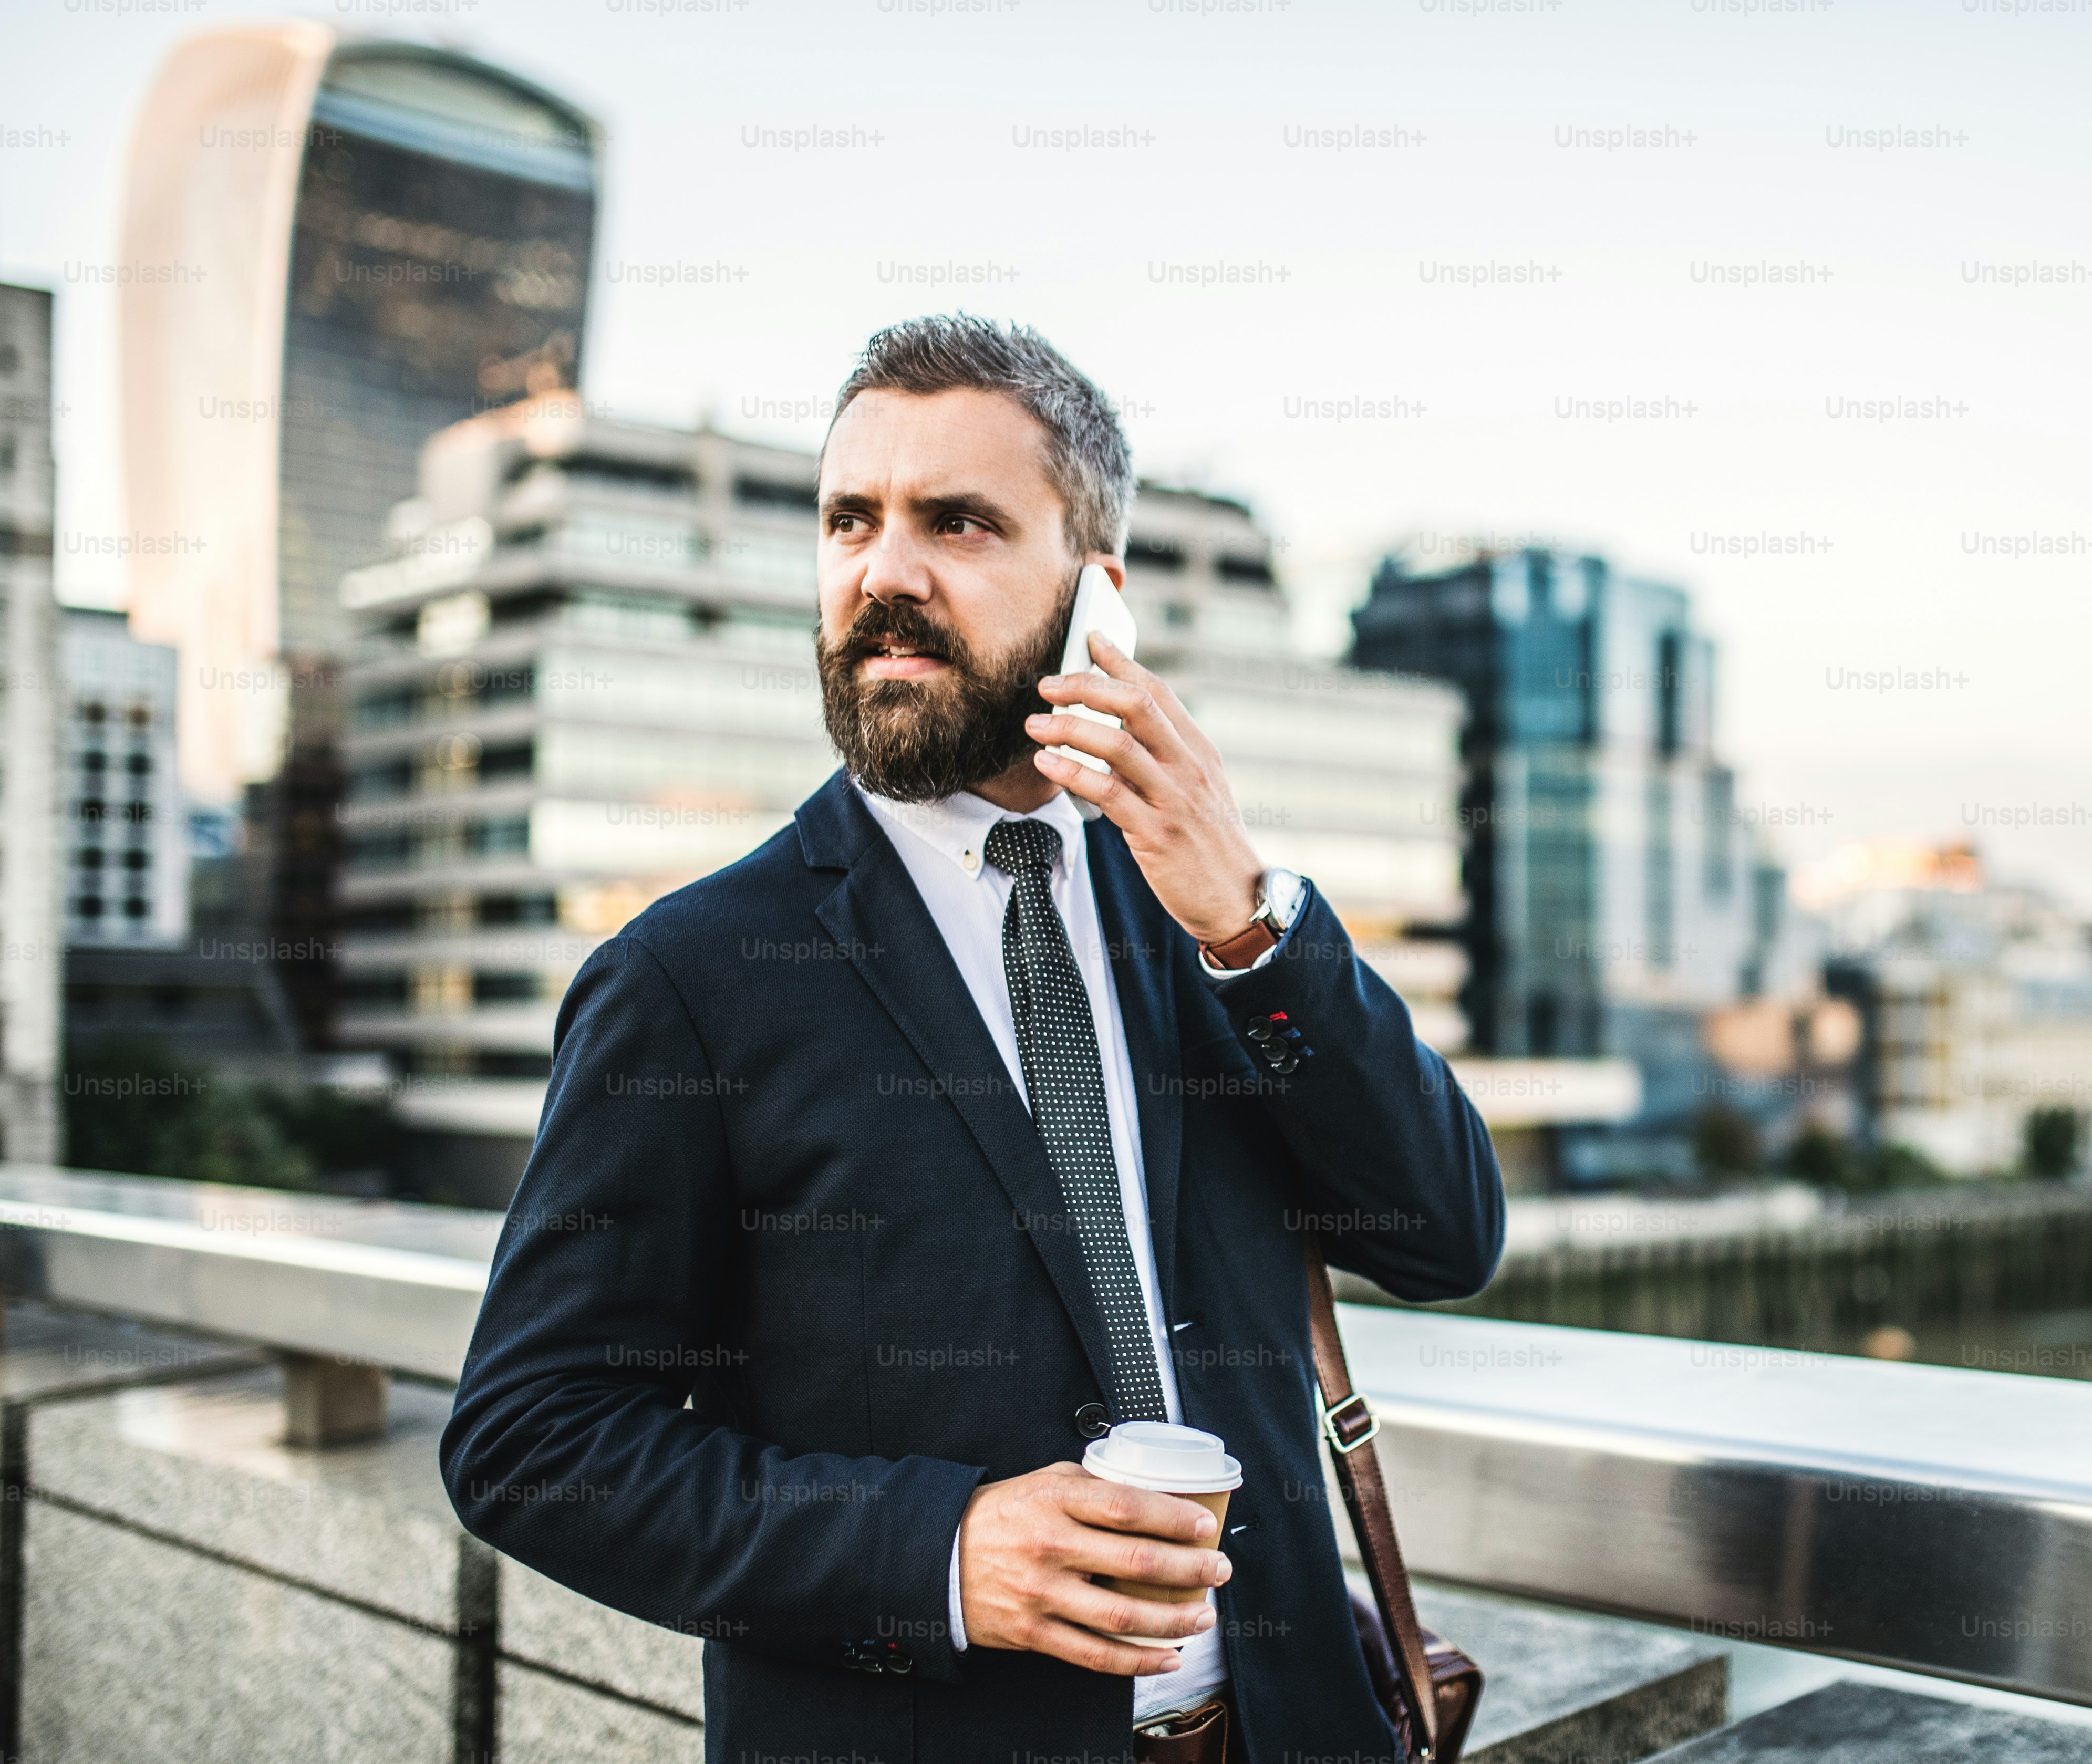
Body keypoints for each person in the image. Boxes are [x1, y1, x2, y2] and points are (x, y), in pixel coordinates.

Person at [441, 315, 1504, 1764]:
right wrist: (939, 1554)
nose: (884, 572)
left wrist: (1253, 923)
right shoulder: (691, 978)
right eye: (848, 521)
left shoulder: (1201, 920)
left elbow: (1446, 1235)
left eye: (959, 522)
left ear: (1096, 599)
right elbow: (531, 1443)